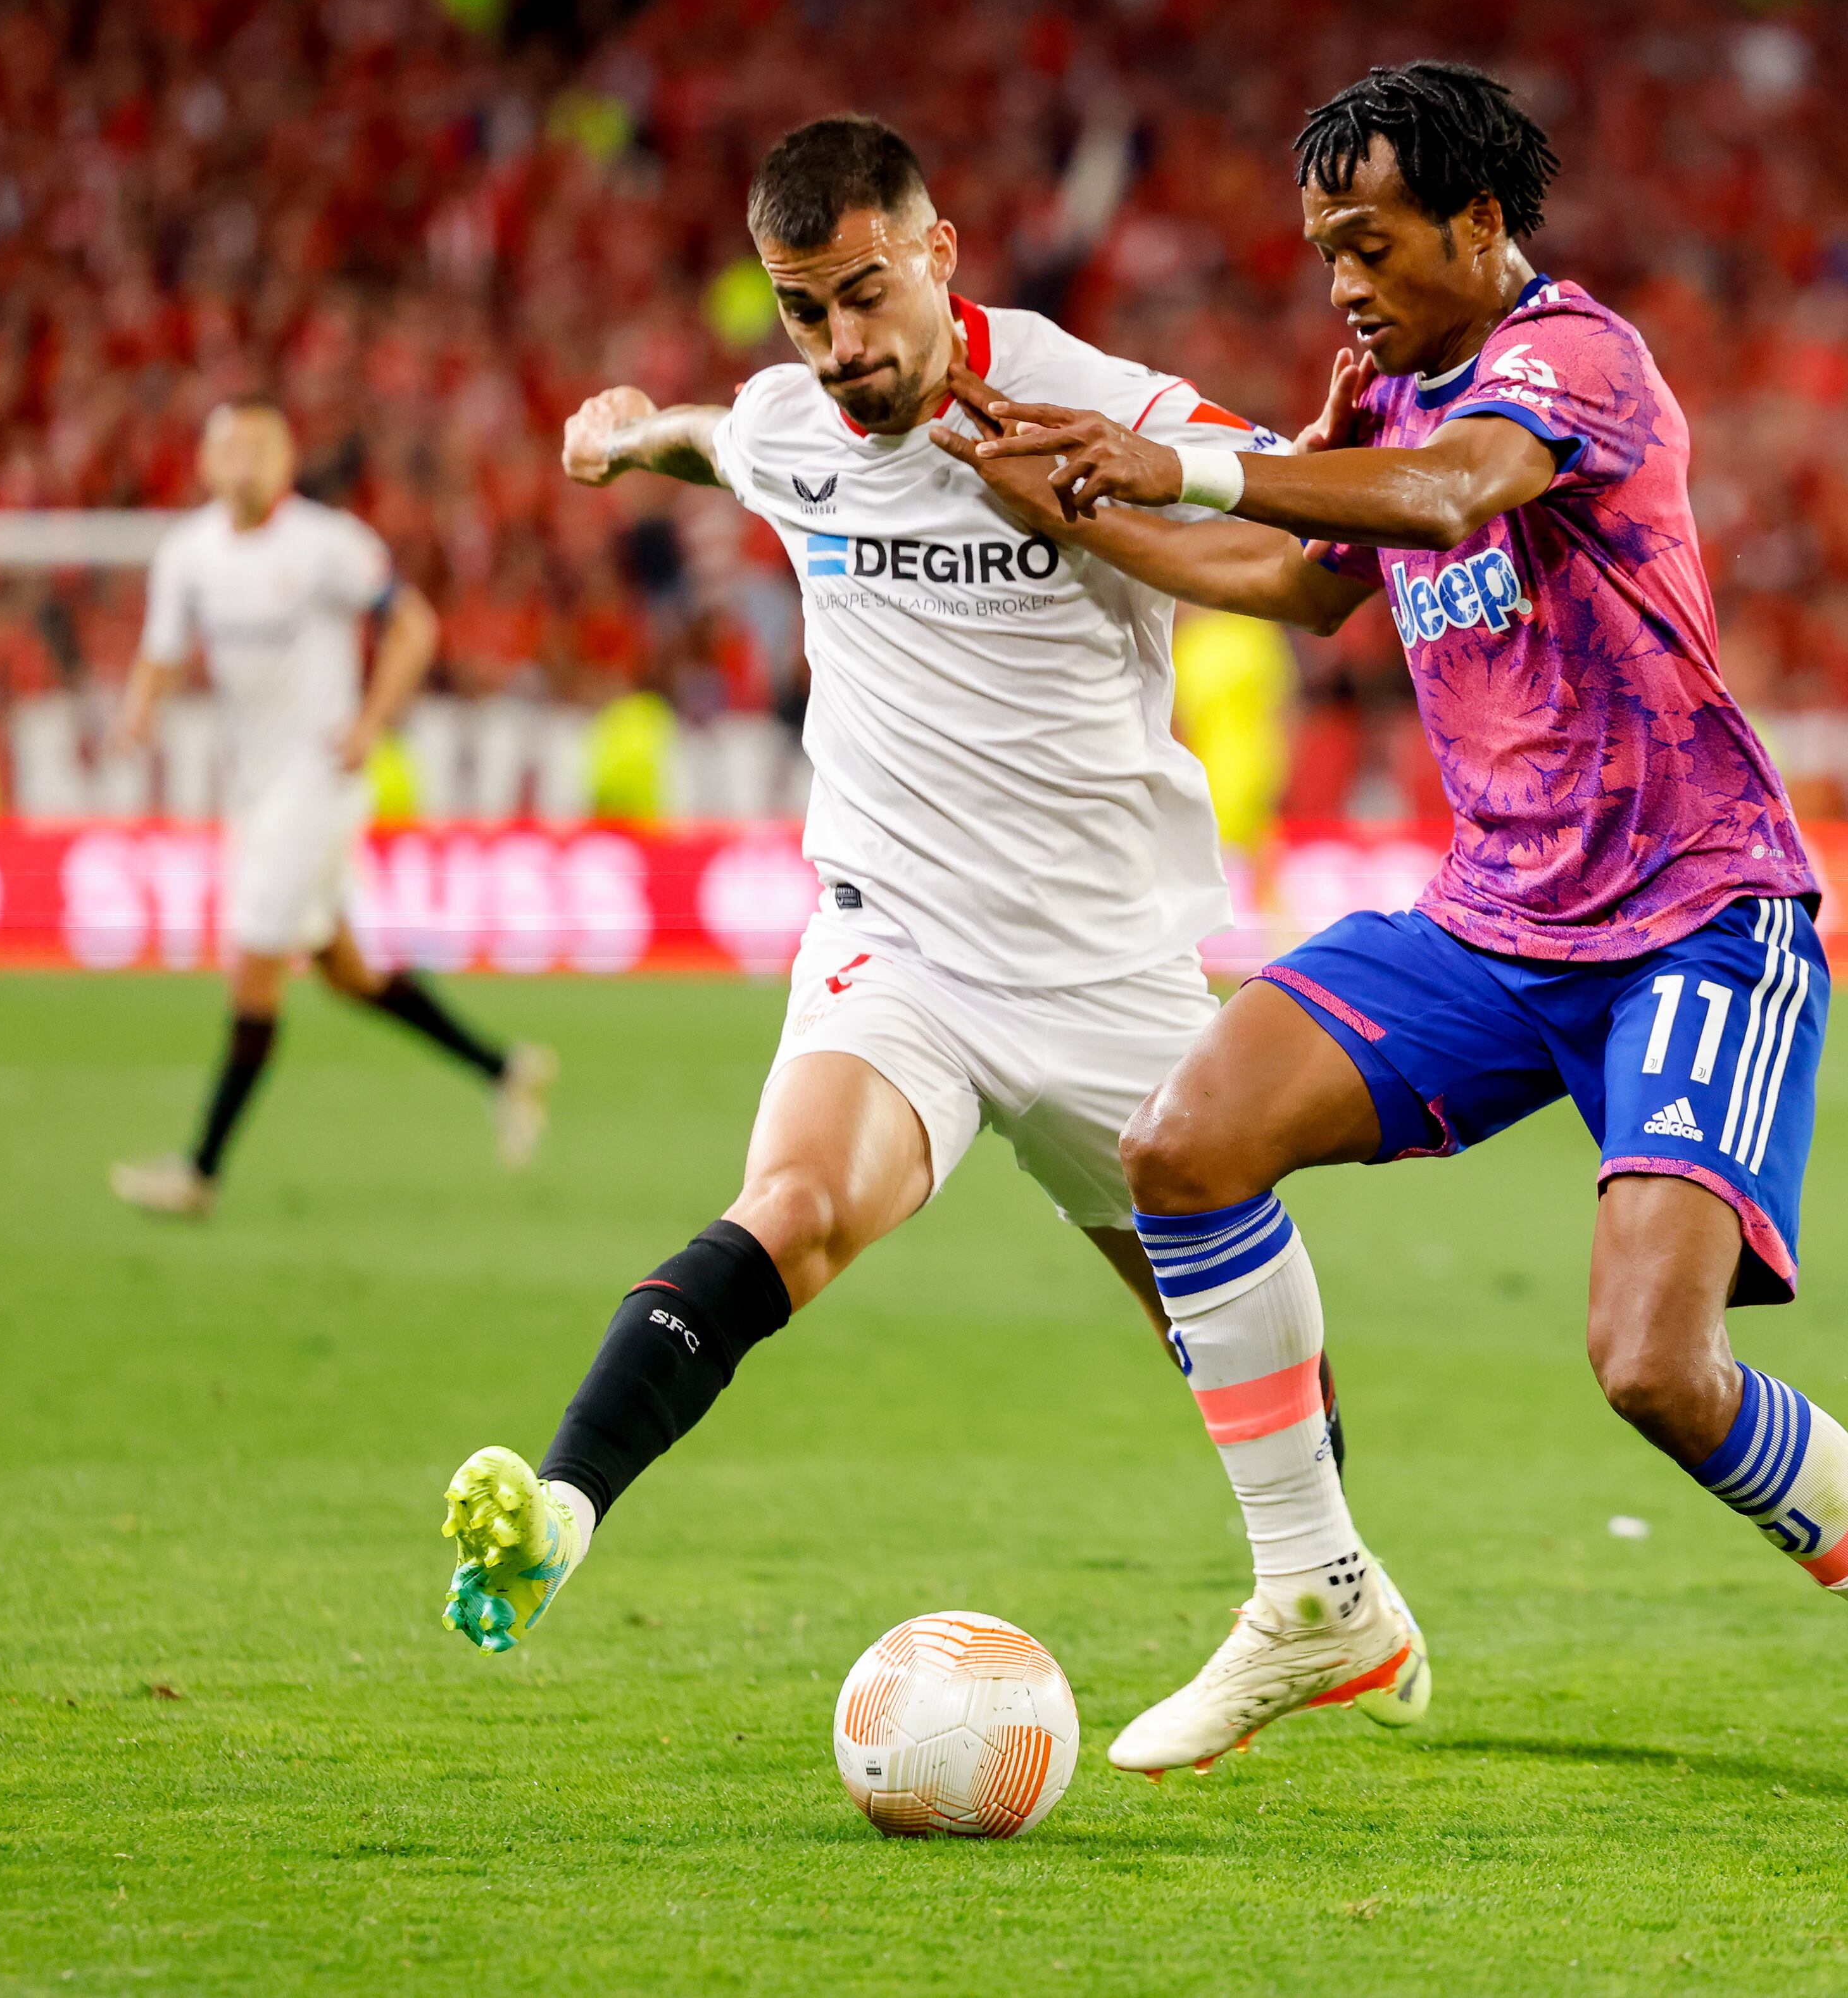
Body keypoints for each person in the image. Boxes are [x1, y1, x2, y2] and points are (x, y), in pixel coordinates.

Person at [943, 61, 1848, 1821]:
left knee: (1655, 1369)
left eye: (1369, 243)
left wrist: (1188, 461)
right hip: (1496, 920)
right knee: (1182, 1146)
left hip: (1696, 918)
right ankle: (1316, 1596)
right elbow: (1295, 586)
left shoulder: (1573, 361)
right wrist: (1071, 508)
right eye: (1324, 251)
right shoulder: (1393, 394)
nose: (1343, 284)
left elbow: (1446, 500)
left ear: (1479, 222)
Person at [432, 118, 1425, 1749]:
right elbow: (723, 438)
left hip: (1105, 964)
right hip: (896, 943)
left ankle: (1328, 1589)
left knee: (1212, 1315)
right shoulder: (789, 422)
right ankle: (564, 1507)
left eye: (864, 295)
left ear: (940, 254)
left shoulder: (1089, 397)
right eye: (800, 308)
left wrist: (1240, 482)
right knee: (794, 1208)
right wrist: (630, 432)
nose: (839, 345)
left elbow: (1305, 545)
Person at [108, 398, 554, 1219]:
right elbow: (162, 653)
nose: (245, 461)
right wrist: (138, 712)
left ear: (286, 460)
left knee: (253, 964)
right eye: (230, 447)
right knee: (348, 974)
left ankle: (199, 1173)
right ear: (206, 463)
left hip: (319, 782)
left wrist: (371, 722)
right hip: (254, 790)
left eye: (260, 446)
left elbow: (413, 626)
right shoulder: (188, 555)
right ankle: (503, 1070)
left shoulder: (327, 546)